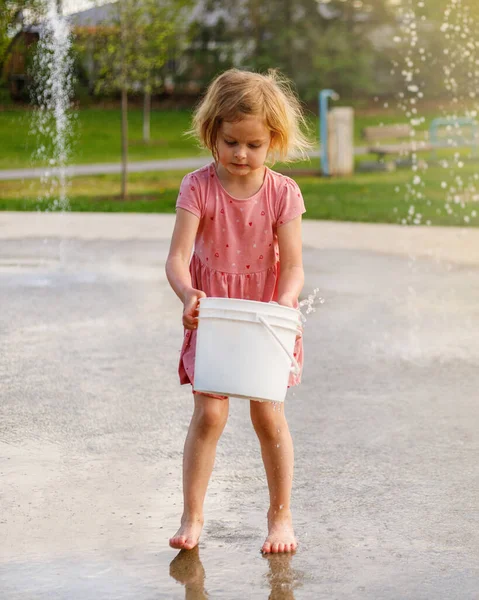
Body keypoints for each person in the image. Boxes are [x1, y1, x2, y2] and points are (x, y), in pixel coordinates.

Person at [165, 68, 311, 554]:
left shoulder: (282, 192)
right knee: (209, 414)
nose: (242, 155)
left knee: (269, 417)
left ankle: (280, 517)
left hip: (264, 316)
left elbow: (293, 268)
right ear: (213, 133)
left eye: (254, 144)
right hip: (214, 314)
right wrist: (187, 293)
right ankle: (193, 514)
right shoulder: (198, 187)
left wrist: (285, 302)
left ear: (274, 139)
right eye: (231, 142)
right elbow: (177, 258)